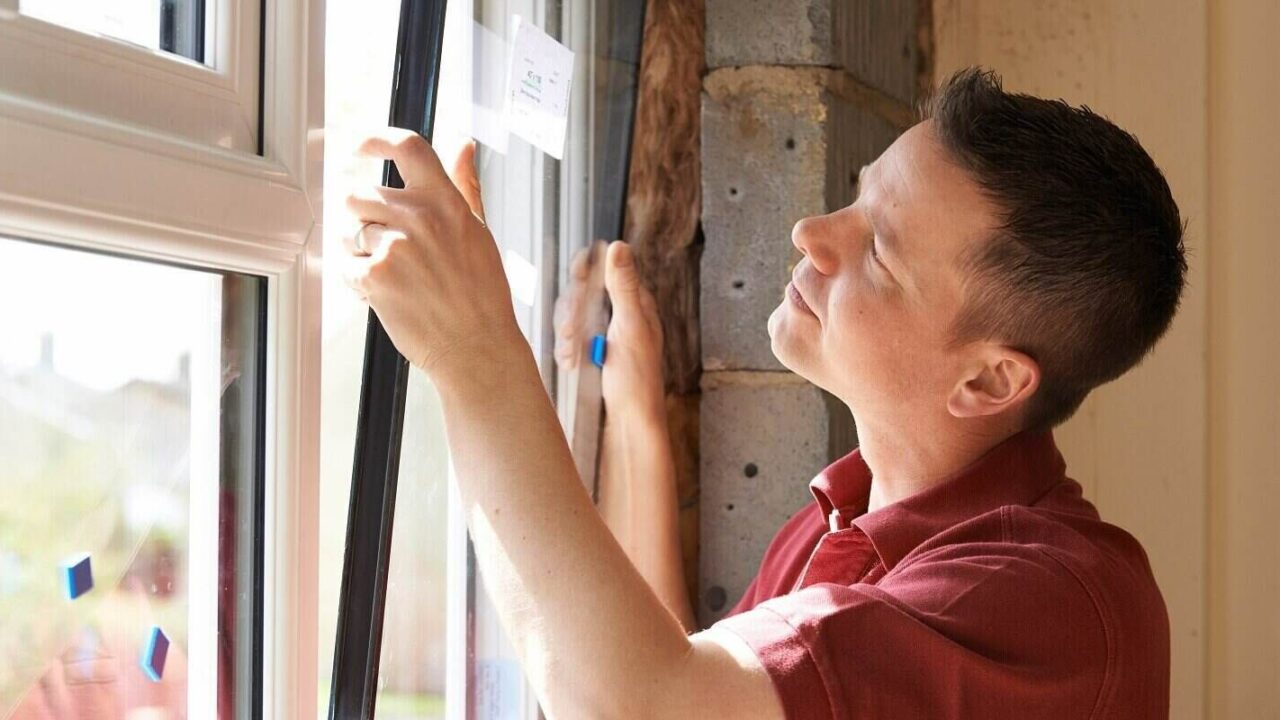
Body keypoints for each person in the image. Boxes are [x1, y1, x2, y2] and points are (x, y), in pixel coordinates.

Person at [340, 68, 1183, 719]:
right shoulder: (838, 521)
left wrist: (475, 350)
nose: (811, 234)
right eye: (855, 197)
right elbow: (689, 678)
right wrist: (636, 416)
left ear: (990, 379)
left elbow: (643, 706)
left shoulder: (1054, 602)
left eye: (880, 251)